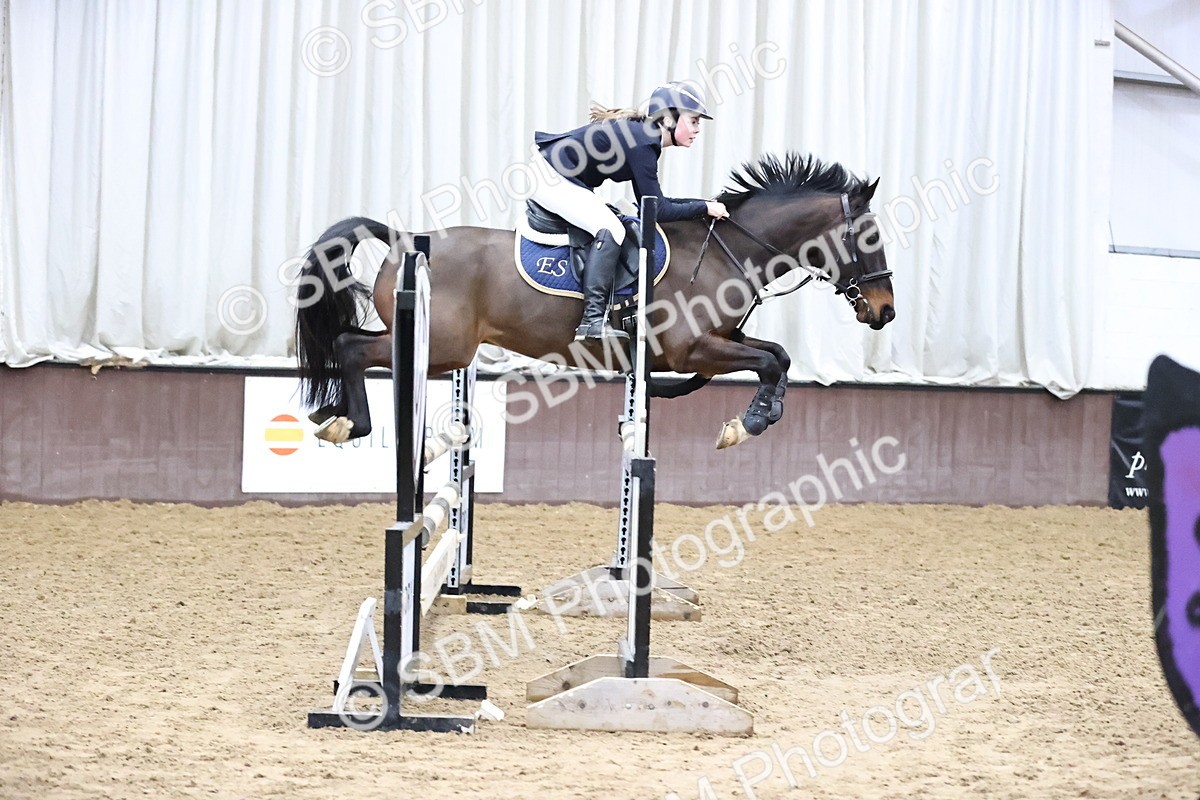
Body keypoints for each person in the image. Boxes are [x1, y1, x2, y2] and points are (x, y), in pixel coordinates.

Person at [530, 79, 729, 346]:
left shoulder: (645, 137)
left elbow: (653, 203)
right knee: (611, 229)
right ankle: (591, 321)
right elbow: (658, 209)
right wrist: (704, 207)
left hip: (558, 174)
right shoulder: (644, 143)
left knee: (615, 221)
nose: (697, 129)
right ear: (669, 119)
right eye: (693, 121)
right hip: (550, 177)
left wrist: (704, 204)